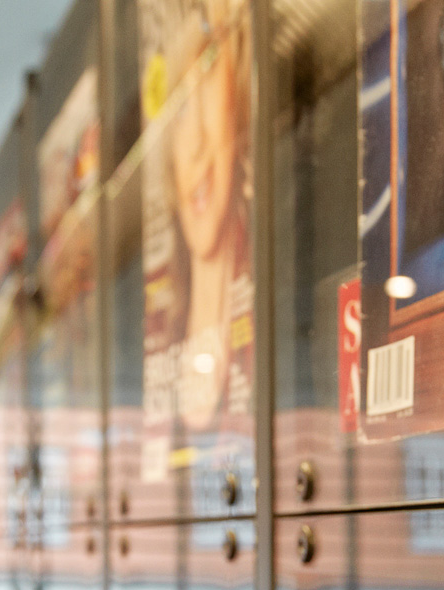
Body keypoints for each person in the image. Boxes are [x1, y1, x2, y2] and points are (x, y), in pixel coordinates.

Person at [163, 0, 253, 433]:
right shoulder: (157, 334)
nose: (196, 140)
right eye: (181, 107)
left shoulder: (274, 311)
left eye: (210, 71)